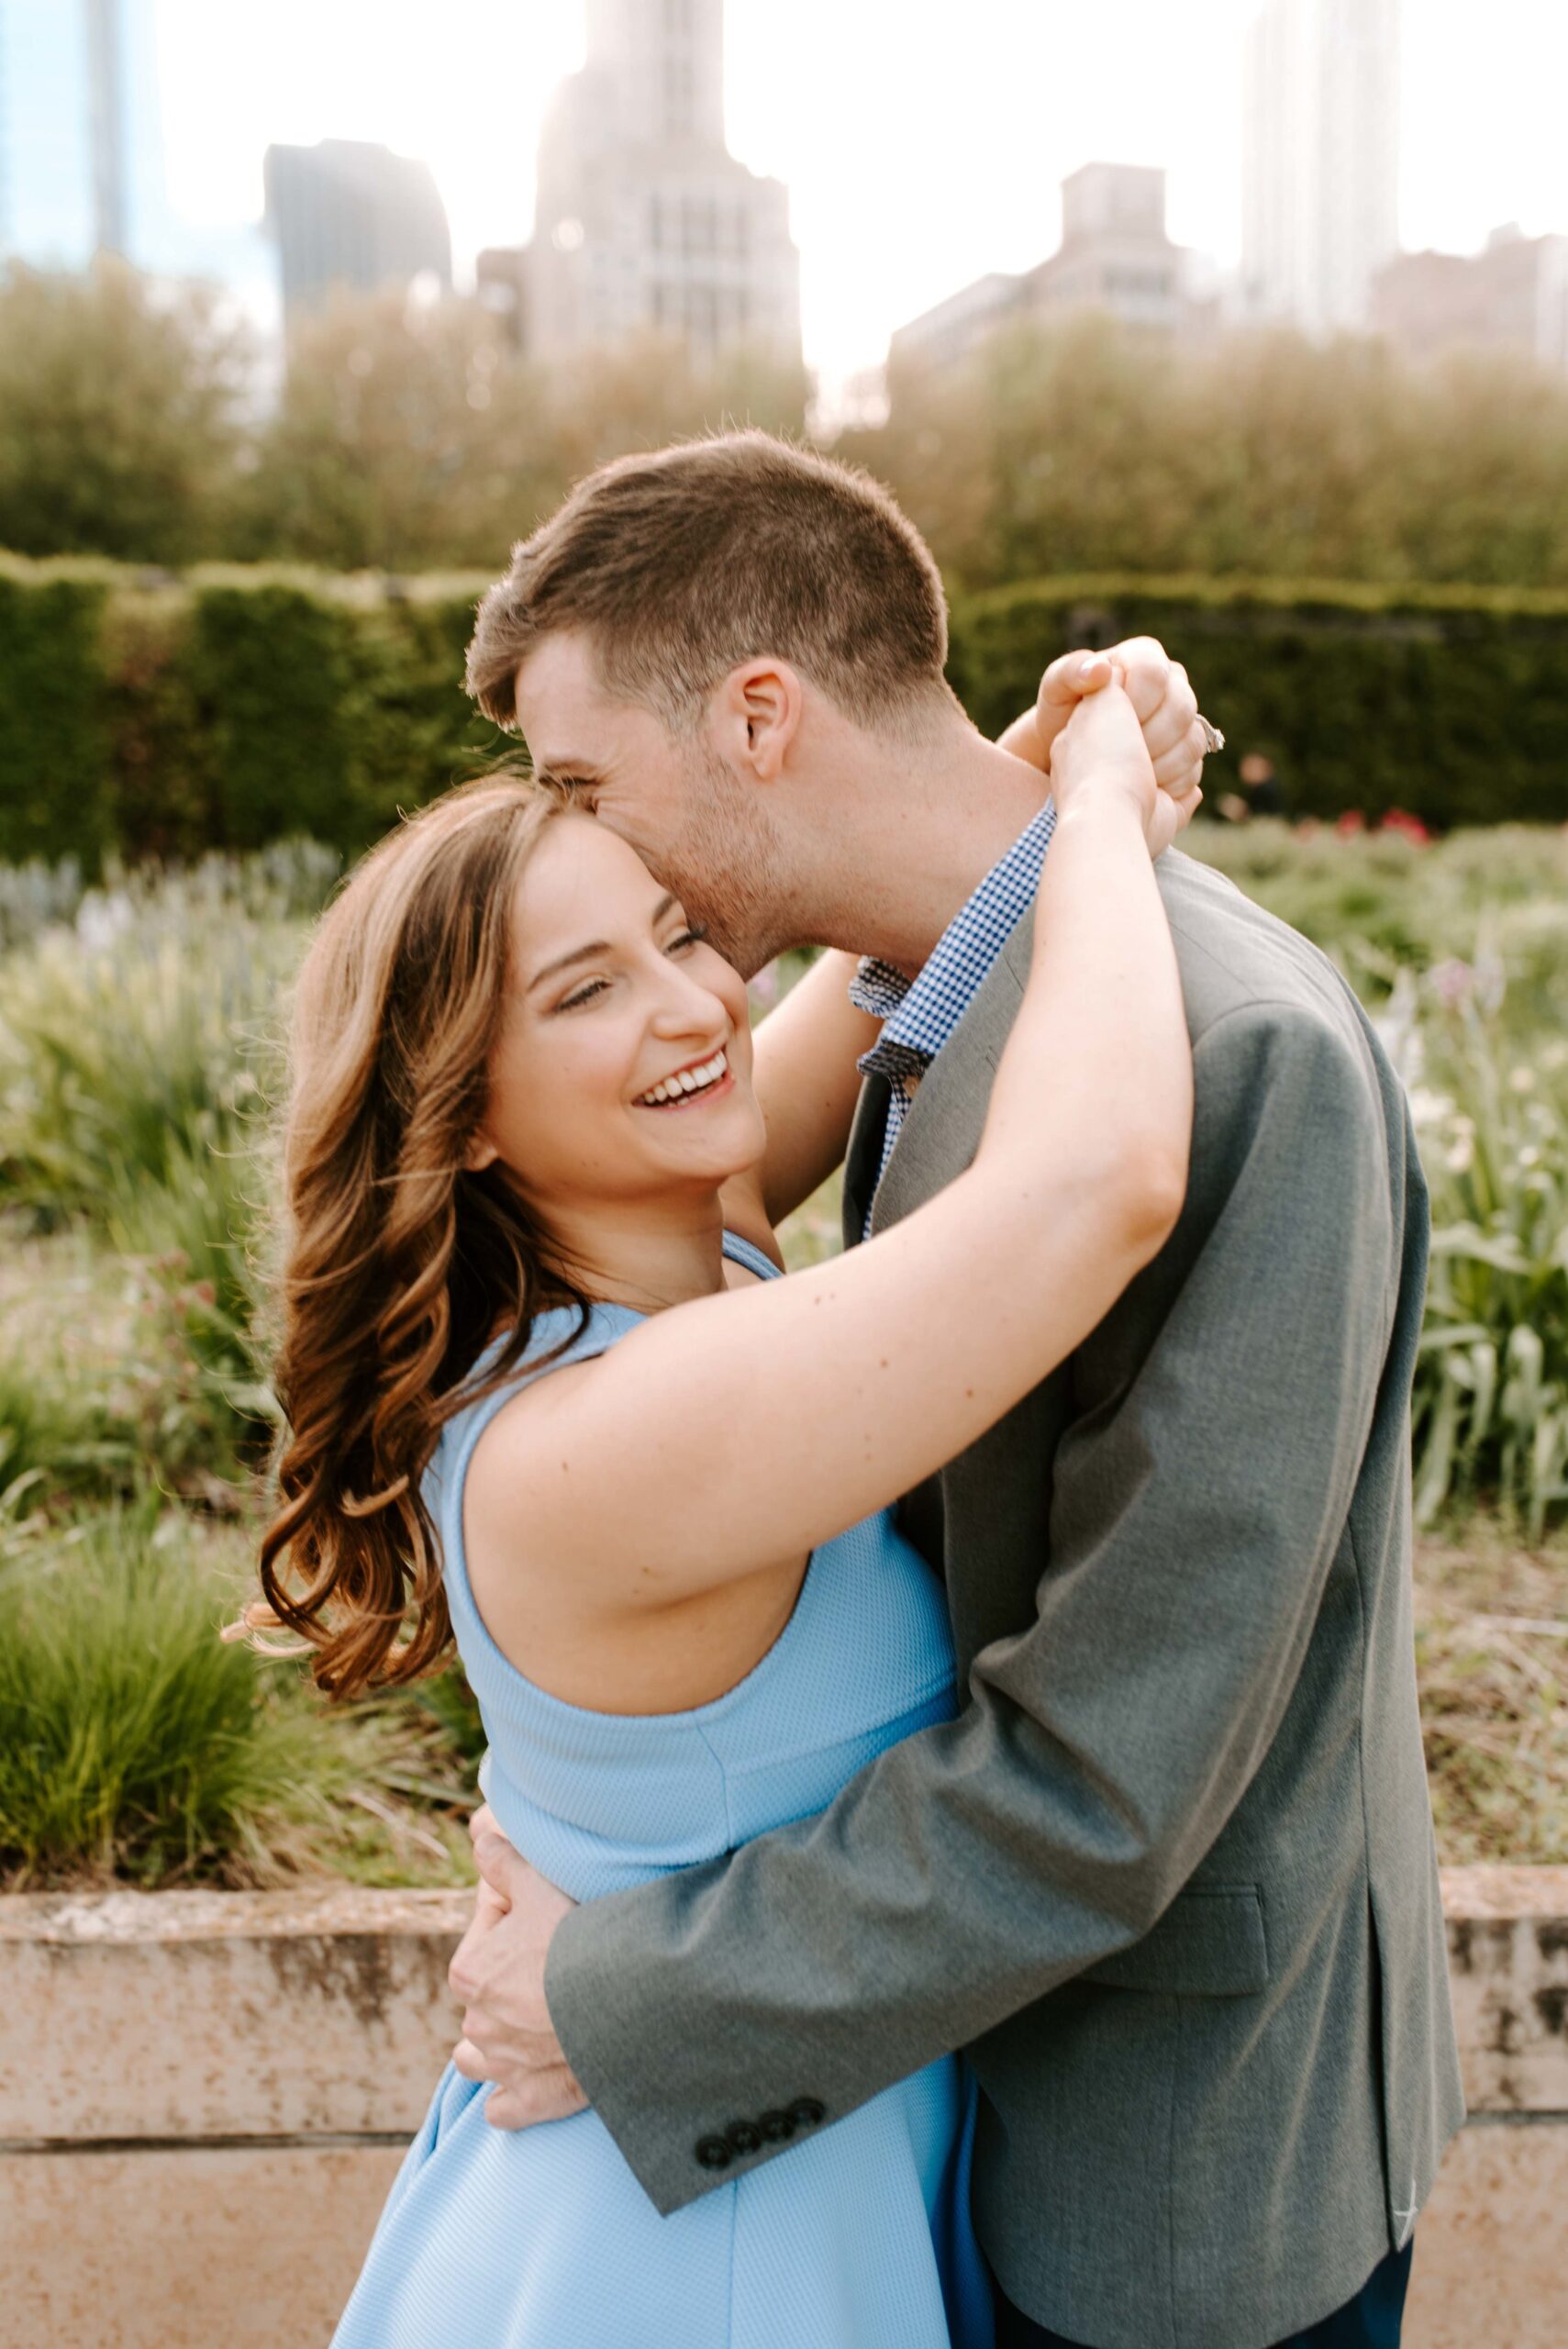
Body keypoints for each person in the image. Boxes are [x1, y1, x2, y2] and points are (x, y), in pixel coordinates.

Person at [450, 433, 1465, 2349]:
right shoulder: (956, 986)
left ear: (761, 716)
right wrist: (1065, 778)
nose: (573, 837)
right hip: (950, 2106)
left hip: (1168, 2184)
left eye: (583, 781)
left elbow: (1110, 1774)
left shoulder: (1227, 1050)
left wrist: (628, 1990)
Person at [248, 659, 1198, 2346]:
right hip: (694, 2259)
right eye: (583, 993)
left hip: (732, 2152)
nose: (690, 1012)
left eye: (679, 938)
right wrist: (1109, 816)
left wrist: (1024, 768)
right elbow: (1100, 1177)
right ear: (460, 1116)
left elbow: (901, 933)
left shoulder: (697, 1239)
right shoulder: (615, 1435)